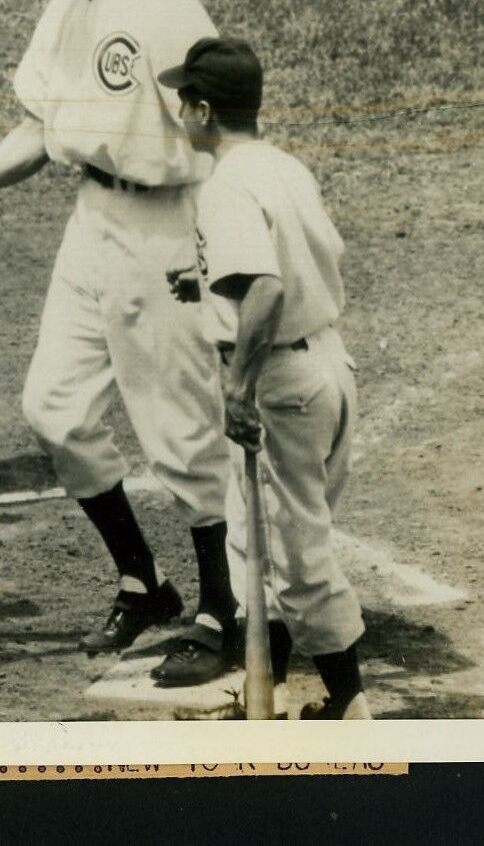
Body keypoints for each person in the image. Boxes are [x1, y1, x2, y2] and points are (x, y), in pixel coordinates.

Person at [0, 0, 241, 678]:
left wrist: (217, 250)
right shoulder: (66, 6)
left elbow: (218, 137)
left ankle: (223, 611)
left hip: (166, 226)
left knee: (181, 428)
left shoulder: (165, 11)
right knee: (54, 408)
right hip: (91, 223)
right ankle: (144, 583)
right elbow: (40, 127)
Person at [160, 36, 370, 718]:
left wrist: (234, 386)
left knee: (296, 554)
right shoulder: (281, 166)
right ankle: (265, 693)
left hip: (282, 380)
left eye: (181, 100)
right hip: (328, 369)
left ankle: (349, 705)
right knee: (263, 540)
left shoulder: (224, 185)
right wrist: (204, 280)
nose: (176, 111)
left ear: (201, 108)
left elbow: (266, 291)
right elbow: (293, 258)